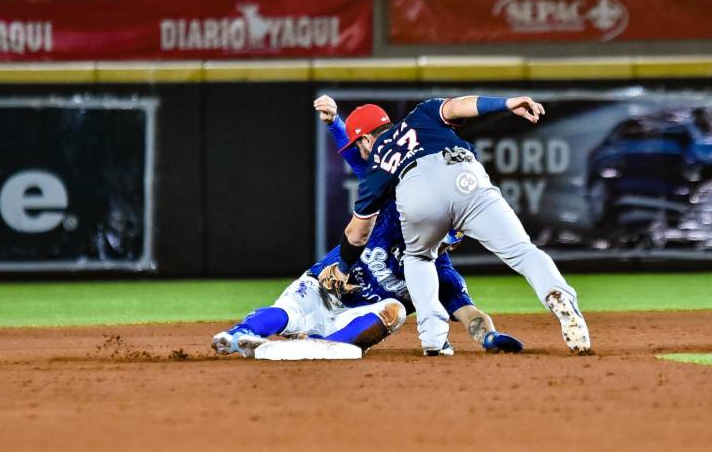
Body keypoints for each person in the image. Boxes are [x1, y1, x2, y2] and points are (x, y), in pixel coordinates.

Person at [211, 98, 524, 358]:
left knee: (395, 311)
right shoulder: (394, 205)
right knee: (288, 311)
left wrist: (490, 338)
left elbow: (470, 314)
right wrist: (335, 124)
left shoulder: (438, 274)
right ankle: (239, 335)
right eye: (449, 232)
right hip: (326, 285)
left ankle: (323, 344)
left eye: (454, 236)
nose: (448, 241)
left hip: (354, 319)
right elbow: (362, 159)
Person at [318, 94, 592, 355]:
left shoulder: (377, 164)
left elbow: (357, 233)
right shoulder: (420, 115)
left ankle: (434, 339)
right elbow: (459, 106)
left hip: (415, 191)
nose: (359, 153)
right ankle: (557, 294)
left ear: (365, 140)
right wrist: (506, 103)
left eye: (357, 146)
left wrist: (342, 269)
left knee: (418, 258)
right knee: (523, 250)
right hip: (465, 175)